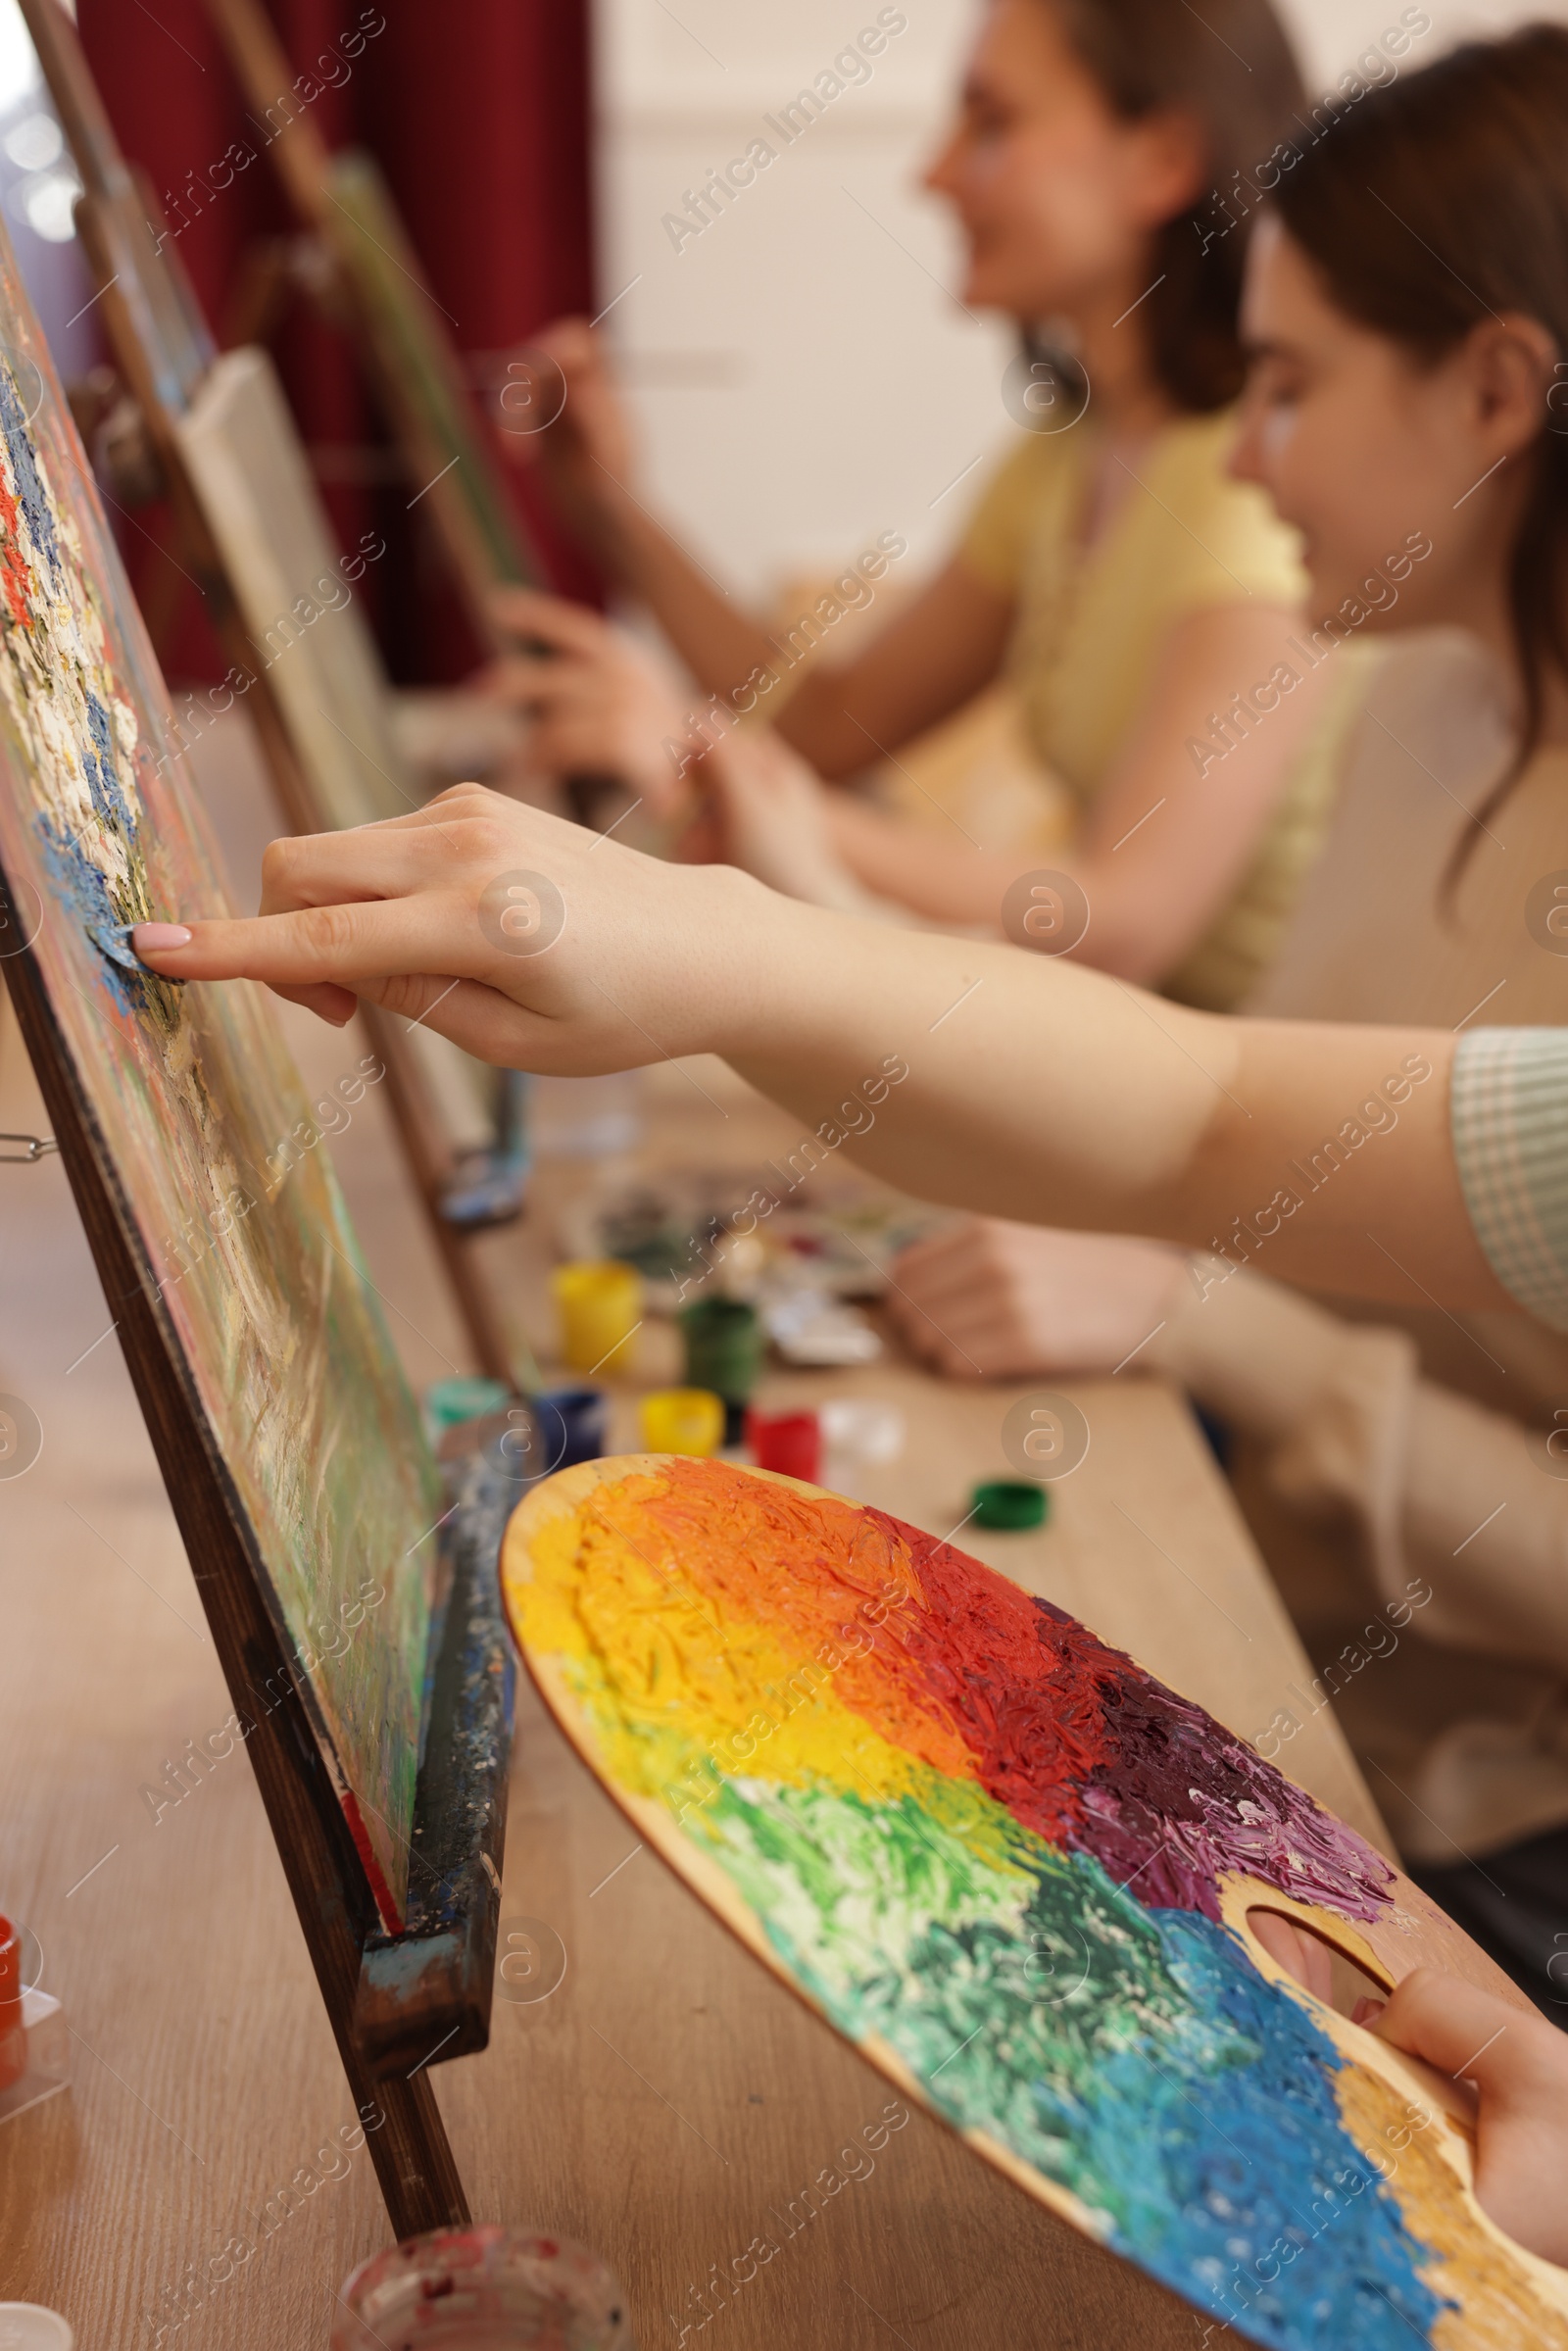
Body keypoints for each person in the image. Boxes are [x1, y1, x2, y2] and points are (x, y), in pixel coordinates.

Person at [875, 18, 1568, 2014]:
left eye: (1282, 383)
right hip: (1275, 1618)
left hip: (1480, 1820)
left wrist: (1195, 1307)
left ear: (1498, 391)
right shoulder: (1426, 692)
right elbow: (1231, 1131)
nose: (1242, 448)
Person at [498, 0, 1378, 1008]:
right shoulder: (1069, 458)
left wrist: (699, 766)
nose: (932, 174)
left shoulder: (1245, 495)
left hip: (1263, 1109)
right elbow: (831, 724)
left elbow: (1120, 921)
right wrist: (606, 502)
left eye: (991, 124)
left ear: (1162, 160)